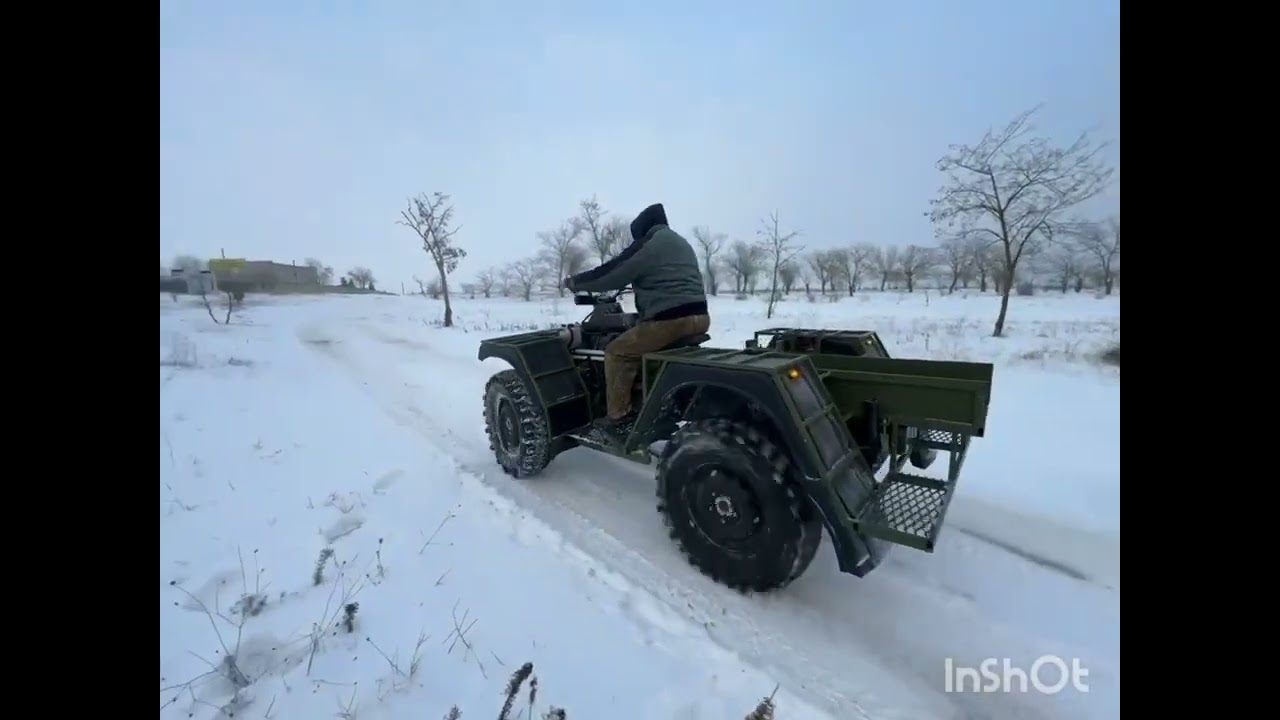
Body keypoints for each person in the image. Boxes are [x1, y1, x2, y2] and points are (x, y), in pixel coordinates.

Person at [563, 202, 710, 441]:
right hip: (699, 318)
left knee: (617, 352)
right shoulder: (681, 243)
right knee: (642, 344)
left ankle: (620, 419)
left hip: (669, 321)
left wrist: (575, 283)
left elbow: (612, 273)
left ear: (643, 230)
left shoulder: (651, 243)